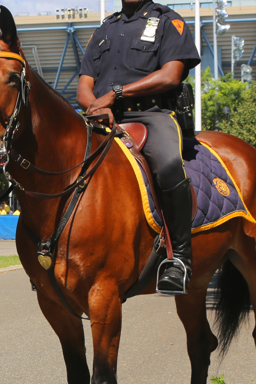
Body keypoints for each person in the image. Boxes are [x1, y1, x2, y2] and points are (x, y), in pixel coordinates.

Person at [77, 0, 200, 293]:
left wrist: (115, 94)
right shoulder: (104, 29)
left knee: (169, 165)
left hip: (151, 115)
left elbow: (171, 75)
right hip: (102, 115)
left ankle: (179, 259)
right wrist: (95, 104)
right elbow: (84, 84)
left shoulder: (169, 21)